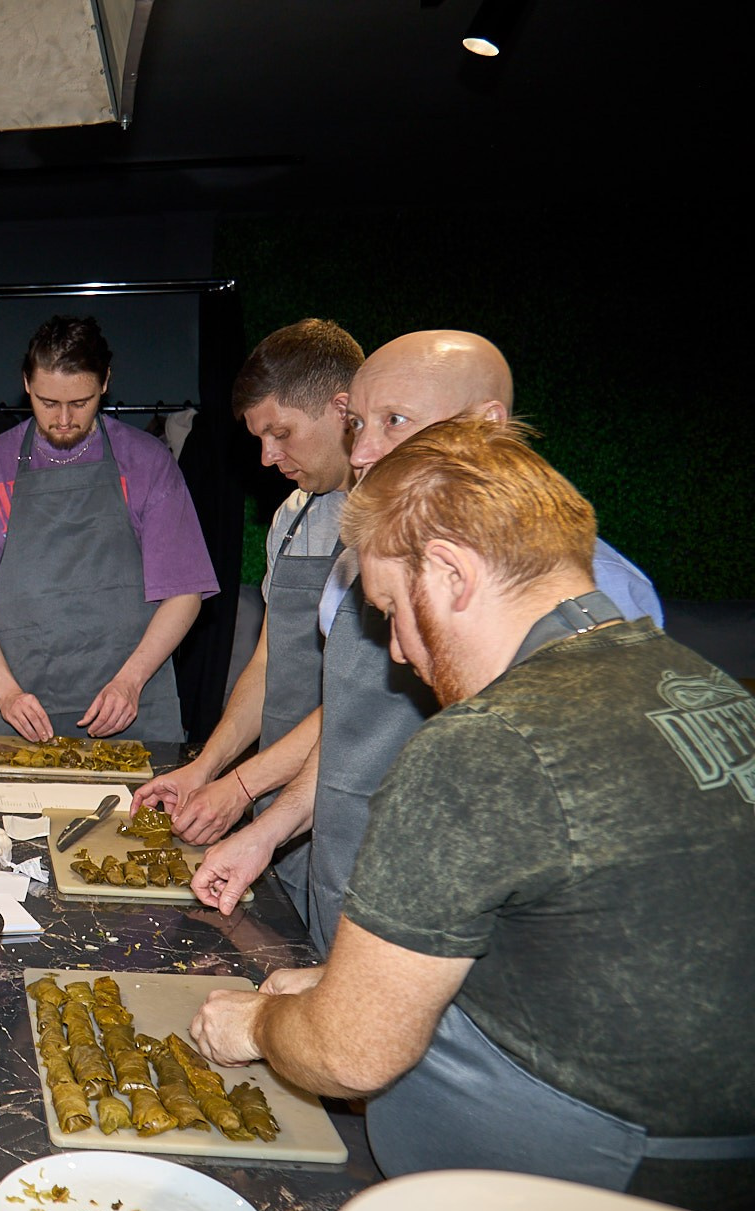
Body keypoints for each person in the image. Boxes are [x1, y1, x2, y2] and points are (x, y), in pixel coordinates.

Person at [189, 421, 755, 1211]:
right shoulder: (697, 684)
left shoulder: (486, 742)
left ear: (451, 571)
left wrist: (264, 1021)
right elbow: (589, 950)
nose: (395, 652)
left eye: (390, 609)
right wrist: (347, 983)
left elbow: (352, 1054)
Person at [191, 330, 663, 948]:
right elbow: (351, 724)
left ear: (485, 425)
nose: (365, 451)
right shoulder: (348, 575)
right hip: (347, 881)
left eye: (395, 421)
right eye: (359, 424)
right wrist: (271, 825)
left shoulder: (606, 594)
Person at [132, 320, 364, 916]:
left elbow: (355, 702)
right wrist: (205, 768)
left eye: (281, 433)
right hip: (273, 799)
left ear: (341, 408)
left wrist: (240, 785)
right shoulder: (290, 519)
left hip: (353, 807)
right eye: (260, 438)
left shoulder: (388, 521)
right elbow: (266, 664)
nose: (267, 457)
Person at [0, 316, 218, 743]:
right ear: (26, 383)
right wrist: (6, 693)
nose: (63, 419)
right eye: (48, 402)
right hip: (22, 715)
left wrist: (131, 681)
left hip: (134, 712)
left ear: (105, 383)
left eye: (80, 402)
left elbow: (185, 592)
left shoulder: (147, 463)